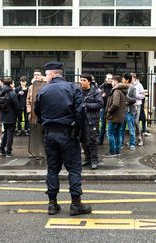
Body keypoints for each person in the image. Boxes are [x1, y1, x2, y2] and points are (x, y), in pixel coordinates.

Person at [34, 61, 91, 216]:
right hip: (68, 134)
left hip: (50, 134)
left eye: (46, 74)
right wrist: (78, 132)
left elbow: (37, 112)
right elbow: (80, 113)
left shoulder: (43, 91)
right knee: (73, 169)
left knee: (52, 169)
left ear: (52, 74)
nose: (45, 77)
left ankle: (52, 204)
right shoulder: (73, 88)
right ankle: (76, 203)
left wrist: (45, 125)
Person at [79, 73, 103, 169]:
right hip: (81, 120)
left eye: (84, 80)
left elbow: (100, 104)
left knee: (92, 140)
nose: (81, 82)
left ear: (89, 81)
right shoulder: (78, 91)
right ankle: (87, 158)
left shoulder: (95, 91)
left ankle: (94, 160)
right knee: (83, 140)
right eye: (81, 80)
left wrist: (87, 106)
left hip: (91, 120)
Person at [104, 75, 128, 157]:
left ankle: (112, 151)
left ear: (116, 81)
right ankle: (117, 151)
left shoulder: (116, 91)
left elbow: (115, 104)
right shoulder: (122, 90)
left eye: (112, 81)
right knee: (118, 134)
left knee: (110, 133)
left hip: (114, 117)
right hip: (120, 117)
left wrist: (109, 111)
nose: (111, 82)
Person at [0, 77, 21, 158]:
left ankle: (1, 149)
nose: (14, 84)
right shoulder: (12, 93)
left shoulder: (1, 92)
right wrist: (20, 117)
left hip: (3, 116)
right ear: (11, 84)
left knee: (6, 133)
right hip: (11, 117)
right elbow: (17, 107)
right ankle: (8, 151)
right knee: (10, 134)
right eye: (13, 83)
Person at [121, 73, 137, 151]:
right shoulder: (120, 87)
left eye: (123, 79)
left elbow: (134, 99)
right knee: (121, 129)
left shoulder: (132, 88)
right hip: (122, 112)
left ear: (127, 80)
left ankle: (132, 144)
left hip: (130, 111)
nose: (122, 80)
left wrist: (126, 99)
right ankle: (120, 144)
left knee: (131, 129)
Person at [98, 73, 113, 145]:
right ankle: (100, 141)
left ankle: (112, 141)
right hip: (103, 107)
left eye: (111, 78)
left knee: (111, 124)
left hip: (111, 107)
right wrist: (101, 95)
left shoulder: (114, 87)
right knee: (103, 124)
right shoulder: (102, 87)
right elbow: (98, 97)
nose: (110, 80)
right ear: (106, 79)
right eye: (109, 78)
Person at [131, 73, 146, 146]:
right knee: (131, 122)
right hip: (130, 106)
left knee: (136, 121)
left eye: (131, 78)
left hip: (137, 105)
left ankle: (140, 138)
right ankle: (132, 140)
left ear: (134, 78)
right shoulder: (128, 85)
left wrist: (136, 96)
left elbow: (143, 95)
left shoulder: (139, 85)